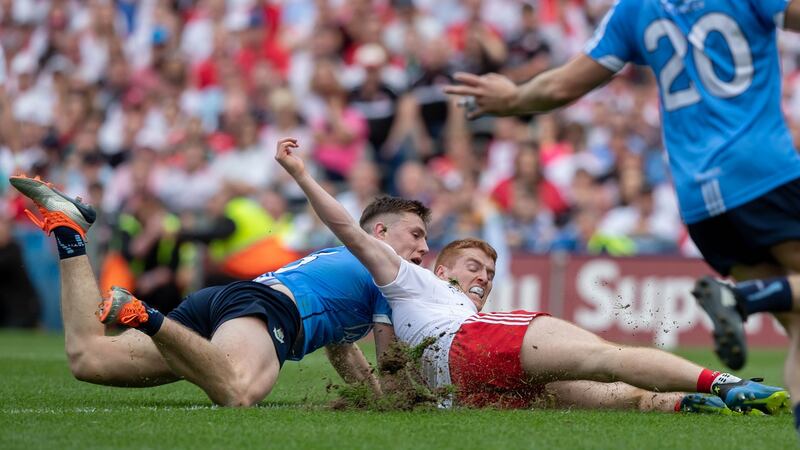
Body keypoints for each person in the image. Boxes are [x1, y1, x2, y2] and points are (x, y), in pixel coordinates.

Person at [443, 0, 800, 428]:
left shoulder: (634, 9)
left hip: (698, 201)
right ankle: (743, 299)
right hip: (763, 171)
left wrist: (514, 98)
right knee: (783, 296)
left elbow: (560, 88)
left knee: (796, 324)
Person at [275, 136, 789, 414]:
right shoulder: (410, 279)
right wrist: (301, 175)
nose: (483, 277)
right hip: (475, 347)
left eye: (490, 271)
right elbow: (349, 227)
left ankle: (685, 404)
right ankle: (728, 383)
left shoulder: (404, 305)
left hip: (465, 393)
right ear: (442, 270)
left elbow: (392, 375)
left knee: (605, 396)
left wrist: (371, 399)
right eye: (473, 266)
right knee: (607, 359)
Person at [8, 174, 430, 406]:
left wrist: (370, 397)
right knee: (239, 392)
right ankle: (145, 315)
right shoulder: (385, 274)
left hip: (229, 306)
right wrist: (409, 401)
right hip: (260, 311)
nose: (424, 248)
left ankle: (68, 230)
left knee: (88, 358)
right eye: (415, 234)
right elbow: (392, 366)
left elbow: (341, 346)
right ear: (379, 232)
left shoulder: (342, 262)